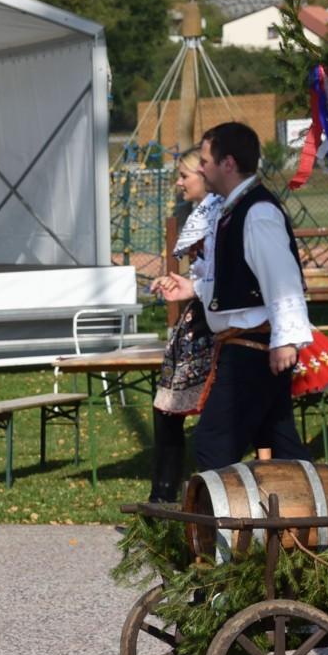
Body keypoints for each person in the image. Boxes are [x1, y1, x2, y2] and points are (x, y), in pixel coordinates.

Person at [152, 122, 314, 470]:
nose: (201, 169)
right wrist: (194, 289)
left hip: (253, 348)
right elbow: (237, 279)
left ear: (227, 163)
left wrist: (286, 339)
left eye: (205, 161)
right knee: (283, 445)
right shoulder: (233, 209)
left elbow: (282, 278)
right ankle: (318, 503)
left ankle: (222, 512)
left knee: (214, 444)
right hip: (245, 344)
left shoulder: (257, 211)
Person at [148, 150, 218, 502]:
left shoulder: (222, 212)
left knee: (218, 421)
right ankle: (163, 496)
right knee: (166, 406)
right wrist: (183, 284)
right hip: (199, 318)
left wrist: (196, 288)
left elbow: (226, 275)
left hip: (219, 323)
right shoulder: (201, 213)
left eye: (184, 175)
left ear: (204, 175)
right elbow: (205, 272)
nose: (178, 182)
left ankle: (214, 501)